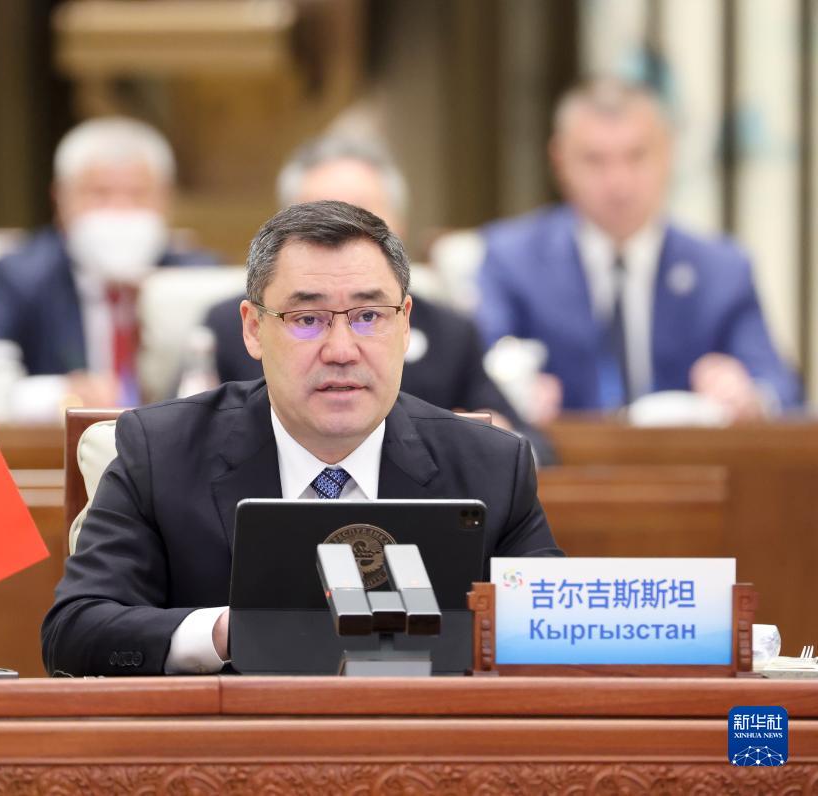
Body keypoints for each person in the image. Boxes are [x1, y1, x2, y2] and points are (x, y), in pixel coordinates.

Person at [42, 200, 562, 677]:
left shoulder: (491, 465)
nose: (341, 350)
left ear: (405, 325)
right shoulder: (161, 452)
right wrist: (230, 632)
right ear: (252, 328)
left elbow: (556, 634)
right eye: (307, 319)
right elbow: (74, 632)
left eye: (368, 317)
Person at [203, 136, 553, 460]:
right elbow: (190, 443)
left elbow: (527, 446)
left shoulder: (450, 333)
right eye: (307, 319)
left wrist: (488, 447)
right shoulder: (229, 326)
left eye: (362, 216)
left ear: (398, 225)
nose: (341, 351)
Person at [476, 78, 802, 422]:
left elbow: (781, 387)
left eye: (636, 156)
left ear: (668, 154)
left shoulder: (721, 269)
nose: (619, 182)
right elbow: (478, 374)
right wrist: (511, 392)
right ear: (560, 161)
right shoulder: (511, 260)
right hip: (557, 454)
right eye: (595, 160)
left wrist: (749, 396)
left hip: (684, 454)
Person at [0, 116, 217, 409]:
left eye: (138, 194)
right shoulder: (22, 276)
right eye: (100, 194)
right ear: (60, 199)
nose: (120, 211)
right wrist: (61, 393)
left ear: (166, 200)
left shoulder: (202, 280)